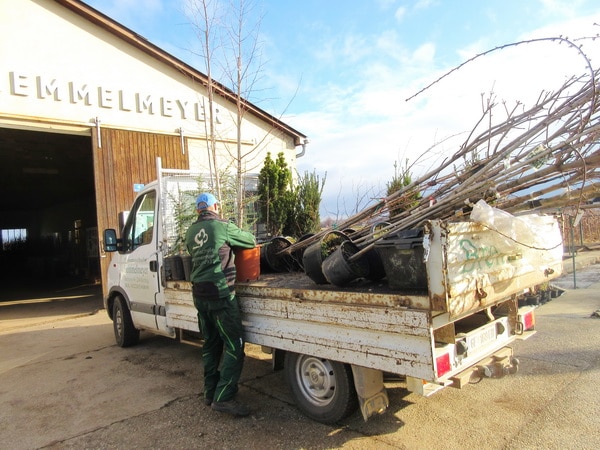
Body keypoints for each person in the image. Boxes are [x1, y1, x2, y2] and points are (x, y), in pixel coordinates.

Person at [185, 192, 256, 417]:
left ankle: (210, 392)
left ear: (198, 209)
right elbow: (250, 241)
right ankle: (224, 396)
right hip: (220, 295)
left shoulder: (190, 232)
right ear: (215, 206)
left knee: (211, 344)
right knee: (234, 345)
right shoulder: (222, 226)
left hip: (199, 294)